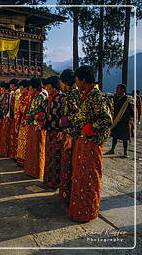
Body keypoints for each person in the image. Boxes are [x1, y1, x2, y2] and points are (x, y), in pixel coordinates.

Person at [69, 65, 112, 222]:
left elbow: (107, 120)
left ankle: (88, 211)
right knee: (80, 178)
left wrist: (88, 129)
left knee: (89, 179)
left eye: (77, 80)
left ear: (83, 80)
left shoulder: (96, 96)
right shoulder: (86, 95)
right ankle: (79, 210)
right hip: (83, 143)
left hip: (92, 144)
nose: (75, 83)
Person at [58, 69, 81, 205]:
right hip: (69, 133)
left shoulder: (72, 94)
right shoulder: (71, 94)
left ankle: (68, 194)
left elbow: (77, 115)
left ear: (65, 82)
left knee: (68, 163)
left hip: (71, 134)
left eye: (61, 82)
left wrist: (64, 123)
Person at [42, 76, 66, 188]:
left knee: (57, 157)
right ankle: (48, 180)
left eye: (48, 86)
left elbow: (65, 116)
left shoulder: (62, 98)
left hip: (58, 132)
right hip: (49, 132)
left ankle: (56, 182)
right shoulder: (49, 99)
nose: (46, 88)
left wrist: (62, 130)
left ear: (54, 86)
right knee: (49, 155)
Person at [24, 78, 47, 179]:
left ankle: (38, 171)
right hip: (31, 125)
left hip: (38, 126)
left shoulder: (42, 97)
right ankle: (31, 170)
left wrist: (39, 119)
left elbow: (45, 111)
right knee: (31, 148)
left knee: (38, 149)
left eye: (30, 86)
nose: (29, 88)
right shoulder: (33, 97)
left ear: (34, 87)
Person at [106, 84, 134, 158]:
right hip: (116, 121)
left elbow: (132, 112)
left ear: (123, 90)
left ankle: (125, 152)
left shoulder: (127, 100)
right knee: (114, 136)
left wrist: (128, 120)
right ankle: (112, 149)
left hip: (124, 122)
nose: (116, 91)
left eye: (118, 89)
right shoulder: (116, 98)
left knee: (125, 138)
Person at [16, 80, 31, 166]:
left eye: (21, 88)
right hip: (22, 119)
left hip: (26, 120)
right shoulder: (22, 97)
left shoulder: (29, 96)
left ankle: (25, 159)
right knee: (21, 140)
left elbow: (27, 109)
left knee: (25, 141)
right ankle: (20, 159)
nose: (20, 90)